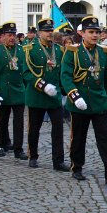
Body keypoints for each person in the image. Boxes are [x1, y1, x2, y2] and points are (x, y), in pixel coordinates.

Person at [61, 15, 107, 183]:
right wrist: (75, 96)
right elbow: (66, 77)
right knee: (78, 138)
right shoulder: (72, 52)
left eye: (97, 32)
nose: (95, 35)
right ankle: (77, 167)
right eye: (91, 32)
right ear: (82, 33)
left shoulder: (102, 51)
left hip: (99, 102)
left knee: (104, 138)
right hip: (80, 102)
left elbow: (104, 77)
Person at [23, 18, 70, 171]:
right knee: (34, 129)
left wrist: (65, 91)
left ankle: (58, 161)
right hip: (37, 95)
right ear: (39, 32)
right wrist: (42, 85)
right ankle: (33, 156)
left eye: (51, 30)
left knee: (58, 129)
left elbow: (62, 72)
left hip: (54, 95)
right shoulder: (30, 49)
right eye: (47, 31)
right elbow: (27, 74)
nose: (50, 33)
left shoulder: (58, 49)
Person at [0, 22, 27, 159]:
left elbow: (25, 71)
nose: (12, 37)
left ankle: (18, 148)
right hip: (3, 91)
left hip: (18, 92)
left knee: (19, 122)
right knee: (2, 121)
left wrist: (25, 89)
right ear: (2, 36)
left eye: (13, 35)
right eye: (9, 35)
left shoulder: (21, 50)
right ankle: (0, 145)